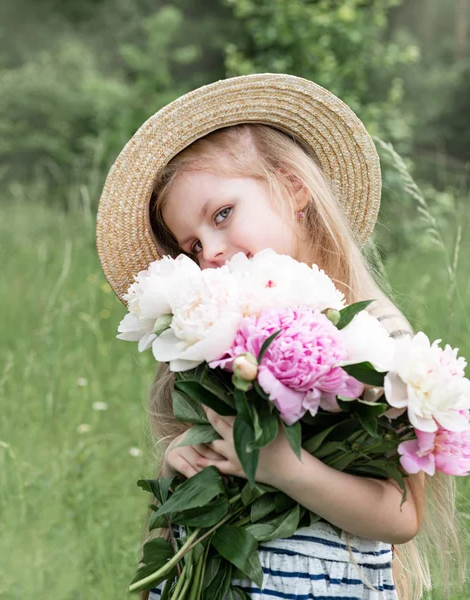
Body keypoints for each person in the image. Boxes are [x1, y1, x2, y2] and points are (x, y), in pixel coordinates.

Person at [96, 74, 463, 600]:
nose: (212, 252)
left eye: (223, 214)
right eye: (193, 245)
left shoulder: (373, 336)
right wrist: (184, 451)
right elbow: (193, 438)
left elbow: (401, 517)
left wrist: (285, 469)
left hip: (319, 584)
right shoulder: (208, 333)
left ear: (293, 189)